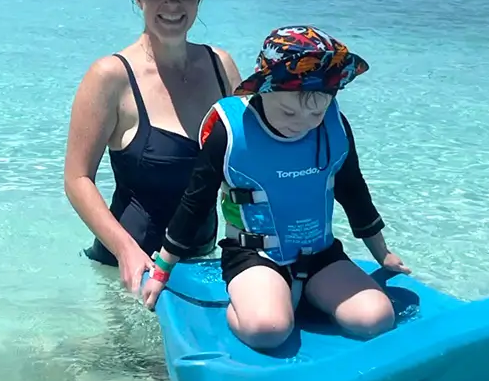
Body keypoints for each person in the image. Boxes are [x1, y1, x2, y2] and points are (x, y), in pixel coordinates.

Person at [141, 26, 410, 350]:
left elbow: (353, 190)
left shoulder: (333, 126)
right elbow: (195, 202)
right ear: (263, 90)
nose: (302, 121)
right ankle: (262, 303)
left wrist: (382, 254)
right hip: (254, 254)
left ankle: (301, 296)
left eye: (316, 111)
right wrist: (163, 268)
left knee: (376, 318)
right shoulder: (231, 132)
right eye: (288, 110)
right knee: (268, 329)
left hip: (319, 254)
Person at [64, 0, 242, 295]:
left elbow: (251, 162)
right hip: (127, 270)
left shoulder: (221, 66)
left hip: (202, 261)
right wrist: (126, 250)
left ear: (199, 0)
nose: (172, 4)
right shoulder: (110, 76)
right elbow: (77, 179)